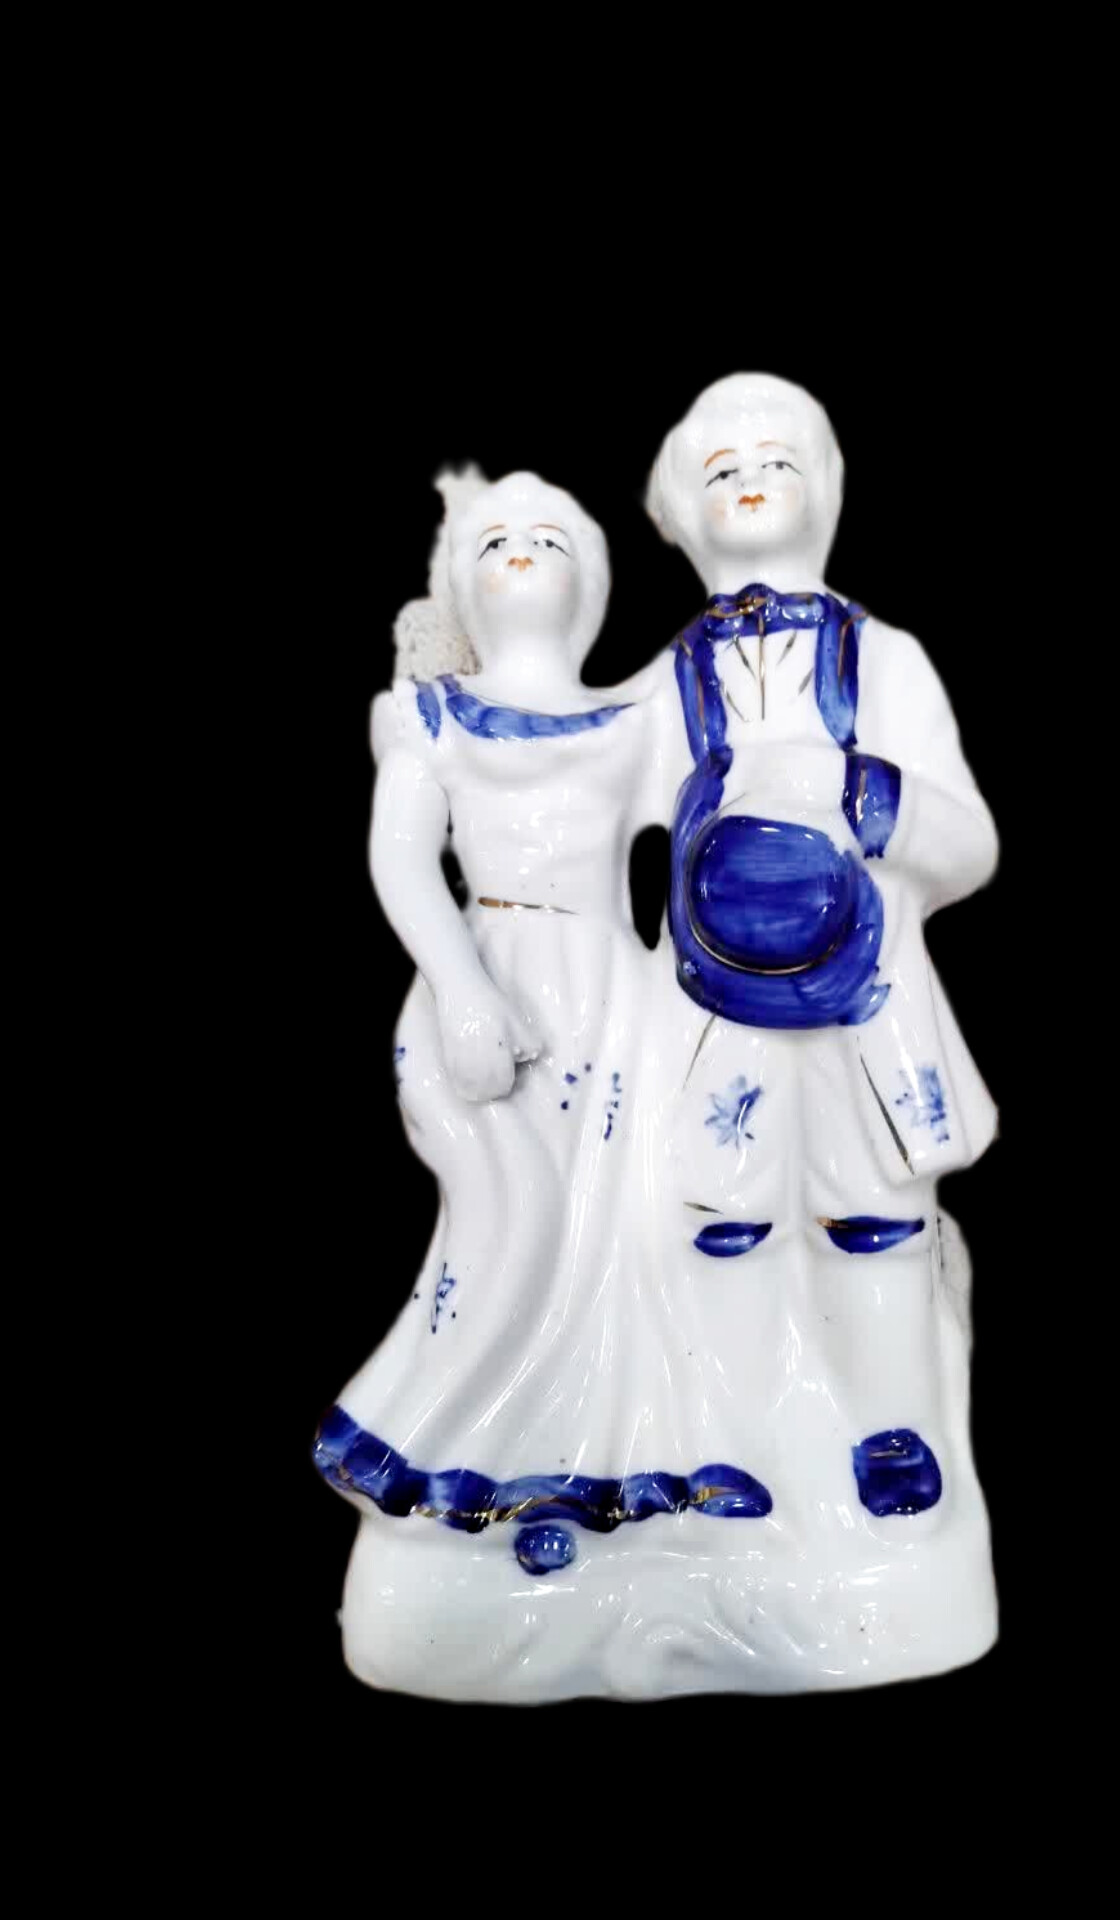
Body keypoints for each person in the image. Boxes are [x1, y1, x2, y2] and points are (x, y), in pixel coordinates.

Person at [314, 468, 772, 1698]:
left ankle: (607, 1477)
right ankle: (439, 1456)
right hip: (489, 987)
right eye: (496, 540)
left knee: (626, 1238)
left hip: (611, 1002)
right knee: (508, 1231)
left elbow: (714, 813)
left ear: (593, 578)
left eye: (549, 537)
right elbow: (401, 864)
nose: (521, 551)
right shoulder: (435, 718)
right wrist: (465, 992)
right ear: (462, 584)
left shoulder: (635, 717)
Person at [639, 372, 1001, 1676]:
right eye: (723, 464)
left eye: (776, 459)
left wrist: (861, 792)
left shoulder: (884, 660)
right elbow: (587, 801)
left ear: (826, 488)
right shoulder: (669, 679)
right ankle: (735, 1445)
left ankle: (890, 1430)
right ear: (684, 506)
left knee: (874, 1211)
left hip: (865, 998)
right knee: (716, 1219)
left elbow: (969, 844)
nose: (749, 480)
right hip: (714, 1002)